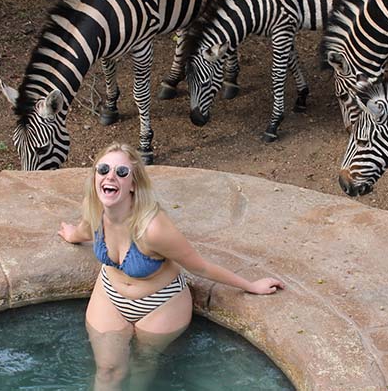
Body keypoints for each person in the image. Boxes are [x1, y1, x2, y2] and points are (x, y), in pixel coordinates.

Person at [58, 143, 285, 390]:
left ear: (133, 183)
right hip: (110, 295)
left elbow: (200, 267)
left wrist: (251, 286)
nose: (110, 176)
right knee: (107, 370)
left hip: (160, 303)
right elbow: (85, 229)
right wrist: (72, 235)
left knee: (141, 365)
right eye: (103, 169)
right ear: (95, 176)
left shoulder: (153, 228)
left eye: (121, 172)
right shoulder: (93, 208)